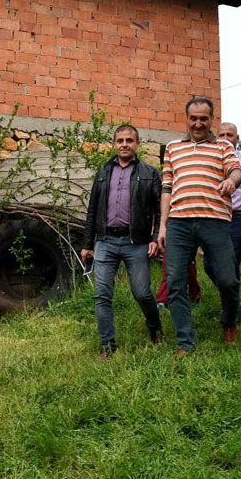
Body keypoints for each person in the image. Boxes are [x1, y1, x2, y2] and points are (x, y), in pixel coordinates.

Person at [158, 96, 241, 357]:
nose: (198, 123)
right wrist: (163, 226)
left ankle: (229, 320)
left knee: (228, 280)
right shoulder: (173, 148)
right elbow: (166, 189)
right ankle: (185, 340)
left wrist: (231, 181)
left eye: (203, 118)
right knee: (174, 283)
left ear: (211, 120)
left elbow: (237, 171)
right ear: (186, 119)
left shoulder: (223, 147)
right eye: (193, 118)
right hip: (179, 223)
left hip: (215, 221)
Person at [80, 125, 164, 357]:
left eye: (129, 140)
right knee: (102, 295)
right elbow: (92, 210)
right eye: (120, 140)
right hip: (105, 241)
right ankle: (108, 345)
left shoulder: (149, 172)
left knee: (142, 293)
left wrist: (156, 238)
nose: (124, 144)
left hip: (136, 242)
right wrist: (87, 244)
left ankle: (155, 328)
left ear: (137, 144)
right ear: (114, 144)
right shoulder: (103, 172)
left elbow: (159, 208)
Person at [218, 122, 241, 279]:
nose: (225, 138)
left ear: (237, 139)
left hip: (238, 216)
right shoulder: (211, 159)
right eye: (222, 135)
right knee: (208, 263)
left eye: (230, 135)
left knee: (232, 259)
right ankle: (230, 290)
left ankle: (231, 300)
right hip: (216, 216)